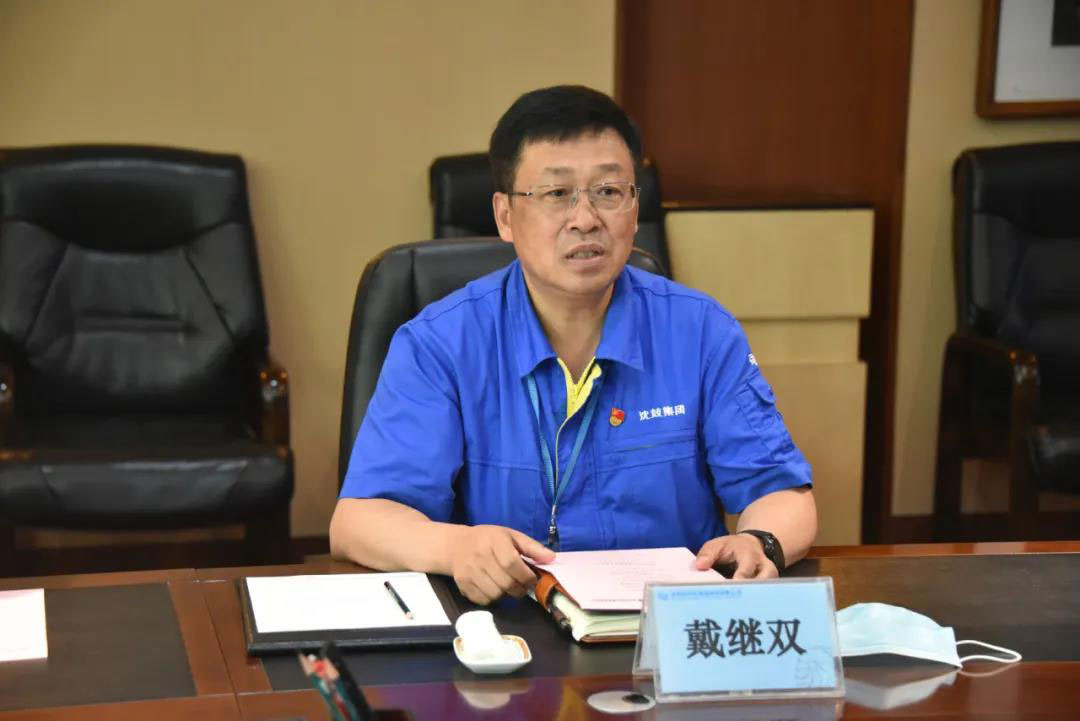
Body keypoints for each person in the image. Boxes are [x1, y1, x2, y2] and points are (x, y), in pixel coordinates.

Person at [330, 85, 816, 605]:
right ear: (505, 215)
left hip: (664, 626)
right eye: (556, 193)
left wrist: (759, 541)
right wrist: (455, 548)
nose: (585, 219)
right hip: (506, 627)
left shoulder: (700, 332)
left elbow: (782, 491)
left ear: (634, 208)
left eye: (608, 191)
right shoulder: (441, 343)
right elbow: (358, 521)